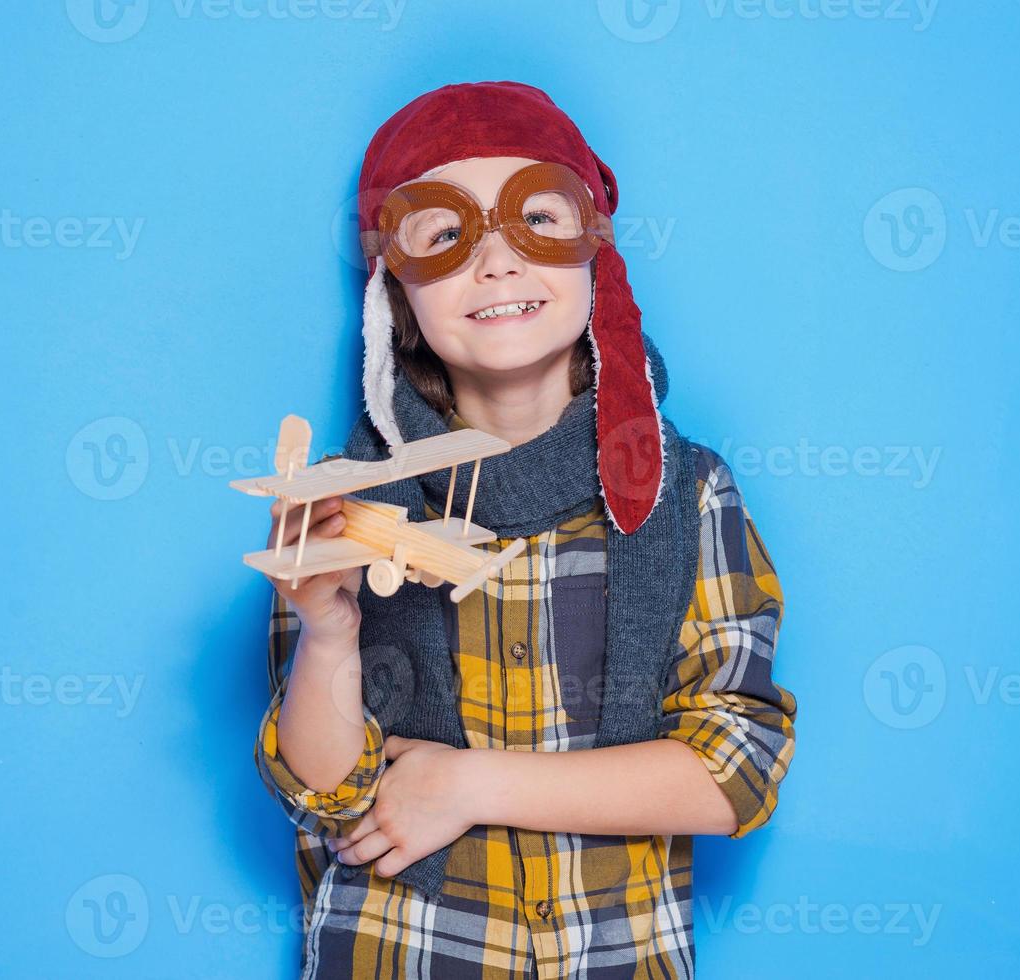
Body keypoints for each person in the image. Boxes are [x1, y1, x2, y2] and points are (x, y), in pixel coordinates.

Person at [252, 80, 797, 979]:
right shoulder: (348, 507)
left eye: (536, 220)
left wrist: (469, 783)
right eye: (445, 235)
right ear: (396, 290)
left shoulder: (687, 494)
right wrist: (328, 629)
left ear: (595, 252)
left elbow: (733, 765)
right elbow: (322, 797)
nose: (497, 264)